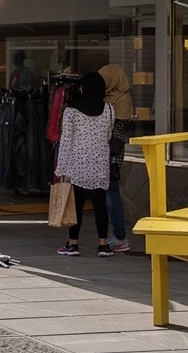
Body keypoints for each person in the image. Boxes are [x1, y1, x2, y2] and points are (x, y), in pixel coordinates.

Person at [54, 72, 114, 258]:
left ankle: (73, 244)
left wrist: (60, 168)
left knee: (76, 205)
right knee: (100, 203)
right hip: (100, 161)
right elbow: (109, 135)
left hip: (77, 162)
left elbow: (66, 140)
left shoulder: (71, 110)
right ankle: (103, 245)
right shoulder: (109, 110)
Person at [98, 64, 134, 252]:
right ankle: (118, 235)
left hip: (111, 153)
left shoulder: (114, 101)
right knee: (110, 193)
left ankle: (120, 237)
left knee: (111, 193)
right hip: (114, 151)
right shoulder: (121, 96)